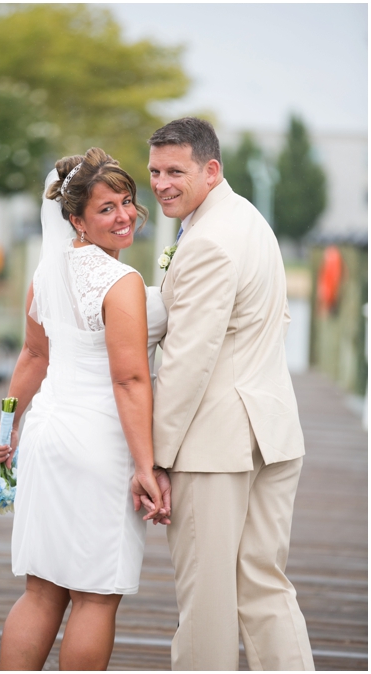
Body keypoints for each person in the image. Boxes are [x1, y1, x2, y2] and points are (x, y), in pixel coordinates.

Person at [0, 148, 172, 670]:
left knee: (42, 591)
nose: (125, 216)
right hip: (101, 443)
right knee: (95, 595)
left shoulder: (45, 275)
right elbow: (131, 378)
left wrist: (7, 425)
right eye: (106, 208)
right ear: (76, 220)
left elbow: (34, 354)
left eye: (128, 202)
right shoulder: (122, 283)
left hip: (48, 436)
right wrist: (145, 465)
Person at [147, 117, 314, 670]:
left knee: (207, 600)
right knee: (265, 587)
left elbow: (188, 362)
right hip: (271, 430)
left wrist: (155, 457)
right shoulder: (249, 222)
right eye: (154, 172)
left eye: (176, 171)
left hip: (217, 446)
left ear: (210, 169)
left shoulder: (208, 242)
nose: (162, 183)